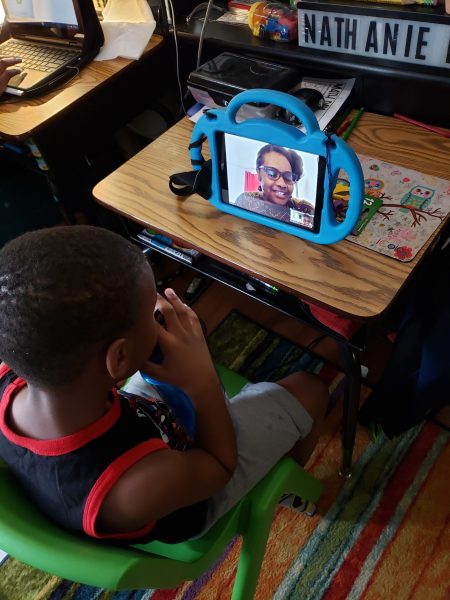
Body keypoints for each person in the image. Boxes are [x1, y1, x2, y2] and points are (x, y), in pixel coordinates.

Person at [0, 226, 328, 543]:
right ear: (120, 358)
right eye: (149, 312)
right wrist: (202, 383)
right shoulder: (133, 490)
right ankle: (280, 473)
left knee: (178, 350)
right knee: (310, 387)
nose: (159, 310)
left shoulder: (17, 372)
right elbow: (220, 464)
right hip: (193, 486)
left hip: (139, 437)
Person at [234, 144, 314, 224]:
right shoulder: (245, 200)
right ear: (258, 174)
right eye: (272, 173)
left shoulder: (305, 209)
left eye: (289, 177)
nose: (282, 184)